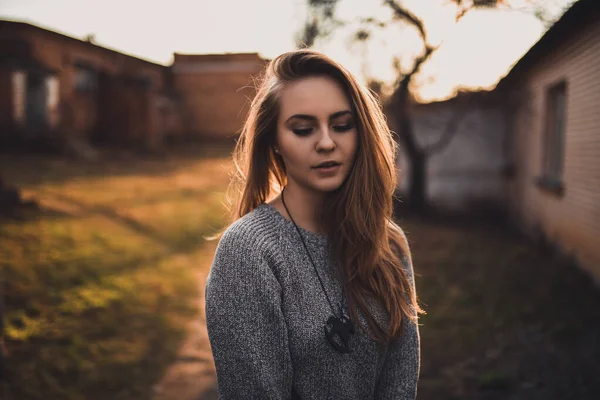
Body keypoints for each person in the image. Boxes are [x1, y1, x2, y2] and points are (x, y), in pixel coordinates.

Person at [205, 49, 423, 399]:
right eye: (303, 129)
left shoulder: (388, 242)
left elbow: (400, 382)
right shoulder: (249, 252)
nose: (326, 142)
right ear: (274, 141)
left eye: (341, 125)